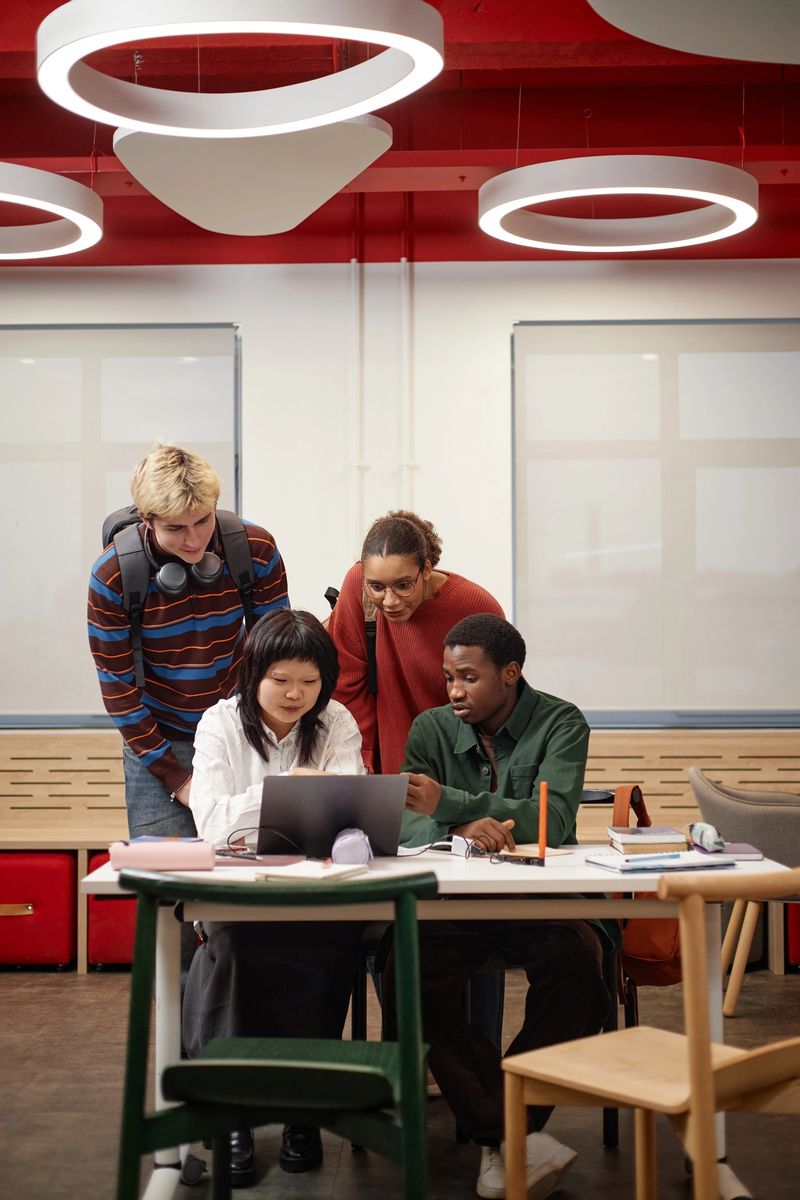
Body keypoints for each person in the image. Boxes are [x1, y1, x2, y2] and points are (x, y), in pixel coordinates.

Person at [393, 613, 612, 1200]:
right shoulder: (430, 729)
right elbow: (405, 820)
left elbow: (556, 822)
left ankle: (498, 1133)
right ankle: (507, 1133)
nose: (455, 691)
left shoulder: (561, 722)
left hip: (537, 901)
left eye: (468, 677)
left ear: (510, 673)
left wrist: (454, 802)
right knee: (404, 970)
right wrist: (462, 821)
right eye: (448, 678)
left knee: (579, 966)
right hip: (451, 906)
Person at [184, 608, 365, 1186]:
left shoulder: (335, 721)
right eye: (281, 680)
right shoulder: (219, 724)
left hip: (319, 892)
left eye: (310, 682)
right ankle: (232, 1115)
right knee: (234, 948)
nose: (296, 695)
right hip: (239, 893)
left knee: (333, 947)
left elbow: (351, 814)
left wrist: (290, 805)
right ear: (252, 672)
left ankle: (301, 1112)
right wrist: (285, 791)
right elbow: (211, 823)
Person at [88, 443, 289, 840]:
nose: (194, 541)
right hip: (161, 737)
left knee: (254, 867)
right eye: (176, 528)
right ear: (147, 520)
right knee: (166, 879)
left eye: (202, 521)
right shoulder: (113, 575)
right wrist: (179, 780)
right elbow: (119, 691)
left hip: (241, 729)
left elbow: (277, 652)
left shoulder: (254, 549)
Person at [327, 510, 503, 775]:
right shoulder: (356, 586)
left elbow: (498, 699)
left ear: (427, 569)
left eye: (403, 585)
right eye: (376, 587)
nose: (390, 601)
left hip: (461, 766)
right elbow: (347, 684)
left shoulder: (476, 607)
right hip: (385, 766)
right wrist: (359, 763)